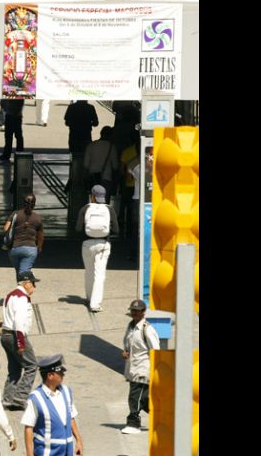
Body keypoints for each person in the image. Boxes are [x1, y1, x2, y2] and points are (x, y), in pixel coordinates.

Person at [21, 355, 84, 456]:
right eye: (60, 373)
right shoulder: (36, 398)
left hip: (67, 451)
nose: (63, 375)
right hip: (47, 452)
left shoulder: (67, 392)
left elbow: (71, 418)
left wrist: (79, 441)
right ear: (50, 376)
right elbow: (28, 428)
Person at [75, 185, 120, 313]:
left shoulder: (85, 208)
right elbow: (117, 230)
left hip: (87, 244)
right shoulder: (109, 209)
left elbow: (77, 229)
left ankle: (89, 298)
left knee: (89, 272)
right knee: (99, 274)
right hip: (104, 244)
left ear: (92, 196)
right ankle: (95, 304)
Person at [0, 271, 39, 411]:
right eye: (33, 283)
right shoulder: (22, 298)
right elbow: (19, 322)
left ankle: (8, 399)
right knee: (32, 365)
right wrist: (21, 342)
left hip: (5, 334)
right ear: (26, 283)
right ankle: (20, 398)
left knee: (15, 368)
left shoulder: (9, 295)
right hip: (16, 334)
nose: (34, 287)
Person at [120, 300, 160, 435]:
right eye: (133, 310)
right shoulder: (131, 327)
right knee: (143, 399)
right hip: (132, 368)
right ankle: (164, 415)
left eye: (137, 311)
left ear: (143, 312)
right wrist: (125, 352)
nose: (135, 313)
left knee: (134, 396)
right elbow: (128, 344)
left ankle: (133, 423)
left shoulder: (147, 329)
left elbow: (156, 350)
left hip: (143, 369)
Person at [3, 193, 44, 277]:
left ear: (23, 203)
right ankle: (25, 286)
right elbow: (40, 236)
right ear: (34, 204)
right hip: (30, 249)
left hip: (15, 249)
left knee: (19, 273)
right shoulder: (37, 218)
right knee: (24, 273)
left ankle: (22, 287)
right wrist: (39, 246)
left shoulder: (15, 214)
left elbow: (5, 228)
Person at [83, 126, 119, 202]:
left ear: (101, 133)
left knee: (94, 202)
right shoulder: (112, 147)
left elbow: (86, 165)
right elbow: (115, 166)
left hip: (93, 179)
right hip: (106, 178)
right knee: (104, 202)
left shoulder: (91, 145)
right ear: (111, 135)